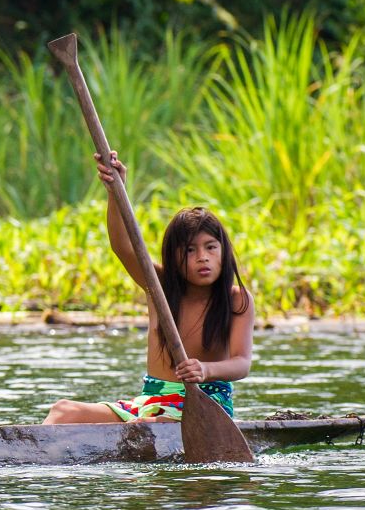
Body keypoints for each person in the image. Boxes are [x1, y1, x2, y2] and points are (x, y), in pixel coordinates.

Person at [43, 150, 253, 425]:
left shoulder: (236, 299)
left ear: (223, 252)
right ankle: (29, 459)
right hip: (150, 401)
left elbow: (242, 363)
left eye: (210, 247)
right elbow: (123, 247)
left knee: (145, 426)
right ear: (174, 257)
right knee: (64, 411)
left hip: (204, 405)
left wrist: (205, 369)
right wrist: (116, 191)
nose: (203, 257)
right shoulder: (159, 287)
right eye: (190, 250)